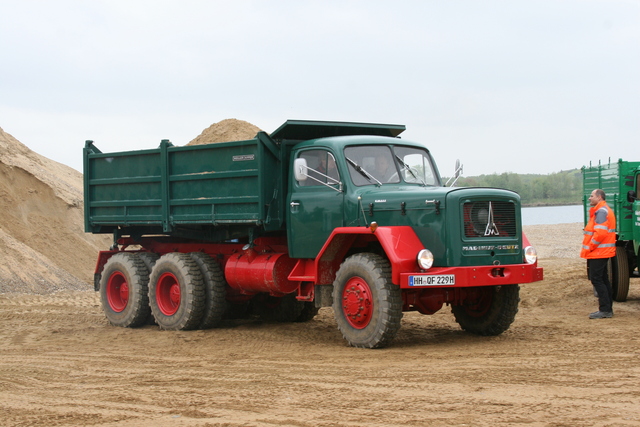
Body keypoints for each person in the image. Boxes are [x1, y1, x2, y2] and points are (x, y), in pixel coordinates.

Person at [580, 189, 617, 319]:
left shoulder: (601, 211)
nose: (589, 198)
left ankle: (605, 310)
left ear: (599, 197)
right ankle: (607, 309)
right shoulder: (603, 210)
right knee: (603, 279)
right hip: (602, 251)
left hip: (599, 252)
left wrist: (591, 246)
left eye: (592, 196)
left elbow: (600, 233)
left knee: (597, 279)